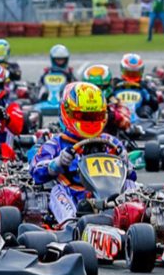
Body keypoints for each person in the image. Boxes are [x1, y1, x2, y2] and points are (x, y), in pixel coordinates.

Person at [30, 82, 135, 225]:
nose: (90, 122)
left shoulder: (111, 142)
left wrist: (126, 163)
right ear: (67, 112)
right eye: (84, 116)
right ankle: (71, 224)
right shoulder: (56, 143)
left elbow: (132, 176)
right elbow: (35, 172)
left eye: (95, 116)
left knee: (130, 184)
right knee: (57, 190)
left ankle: (137, 219)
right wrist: (57, 163)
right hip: (74, 196)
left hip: (111, 196)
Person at [113, 53, 159, 118]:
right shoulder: (115, 84)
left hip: (140, 118)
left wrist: (147, 96)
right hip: (117, 115)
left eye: (134, 73)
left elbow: (155, 105)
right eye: (129, 73)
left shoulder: (145, 85)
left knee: (146, 109)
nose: (132, 75)